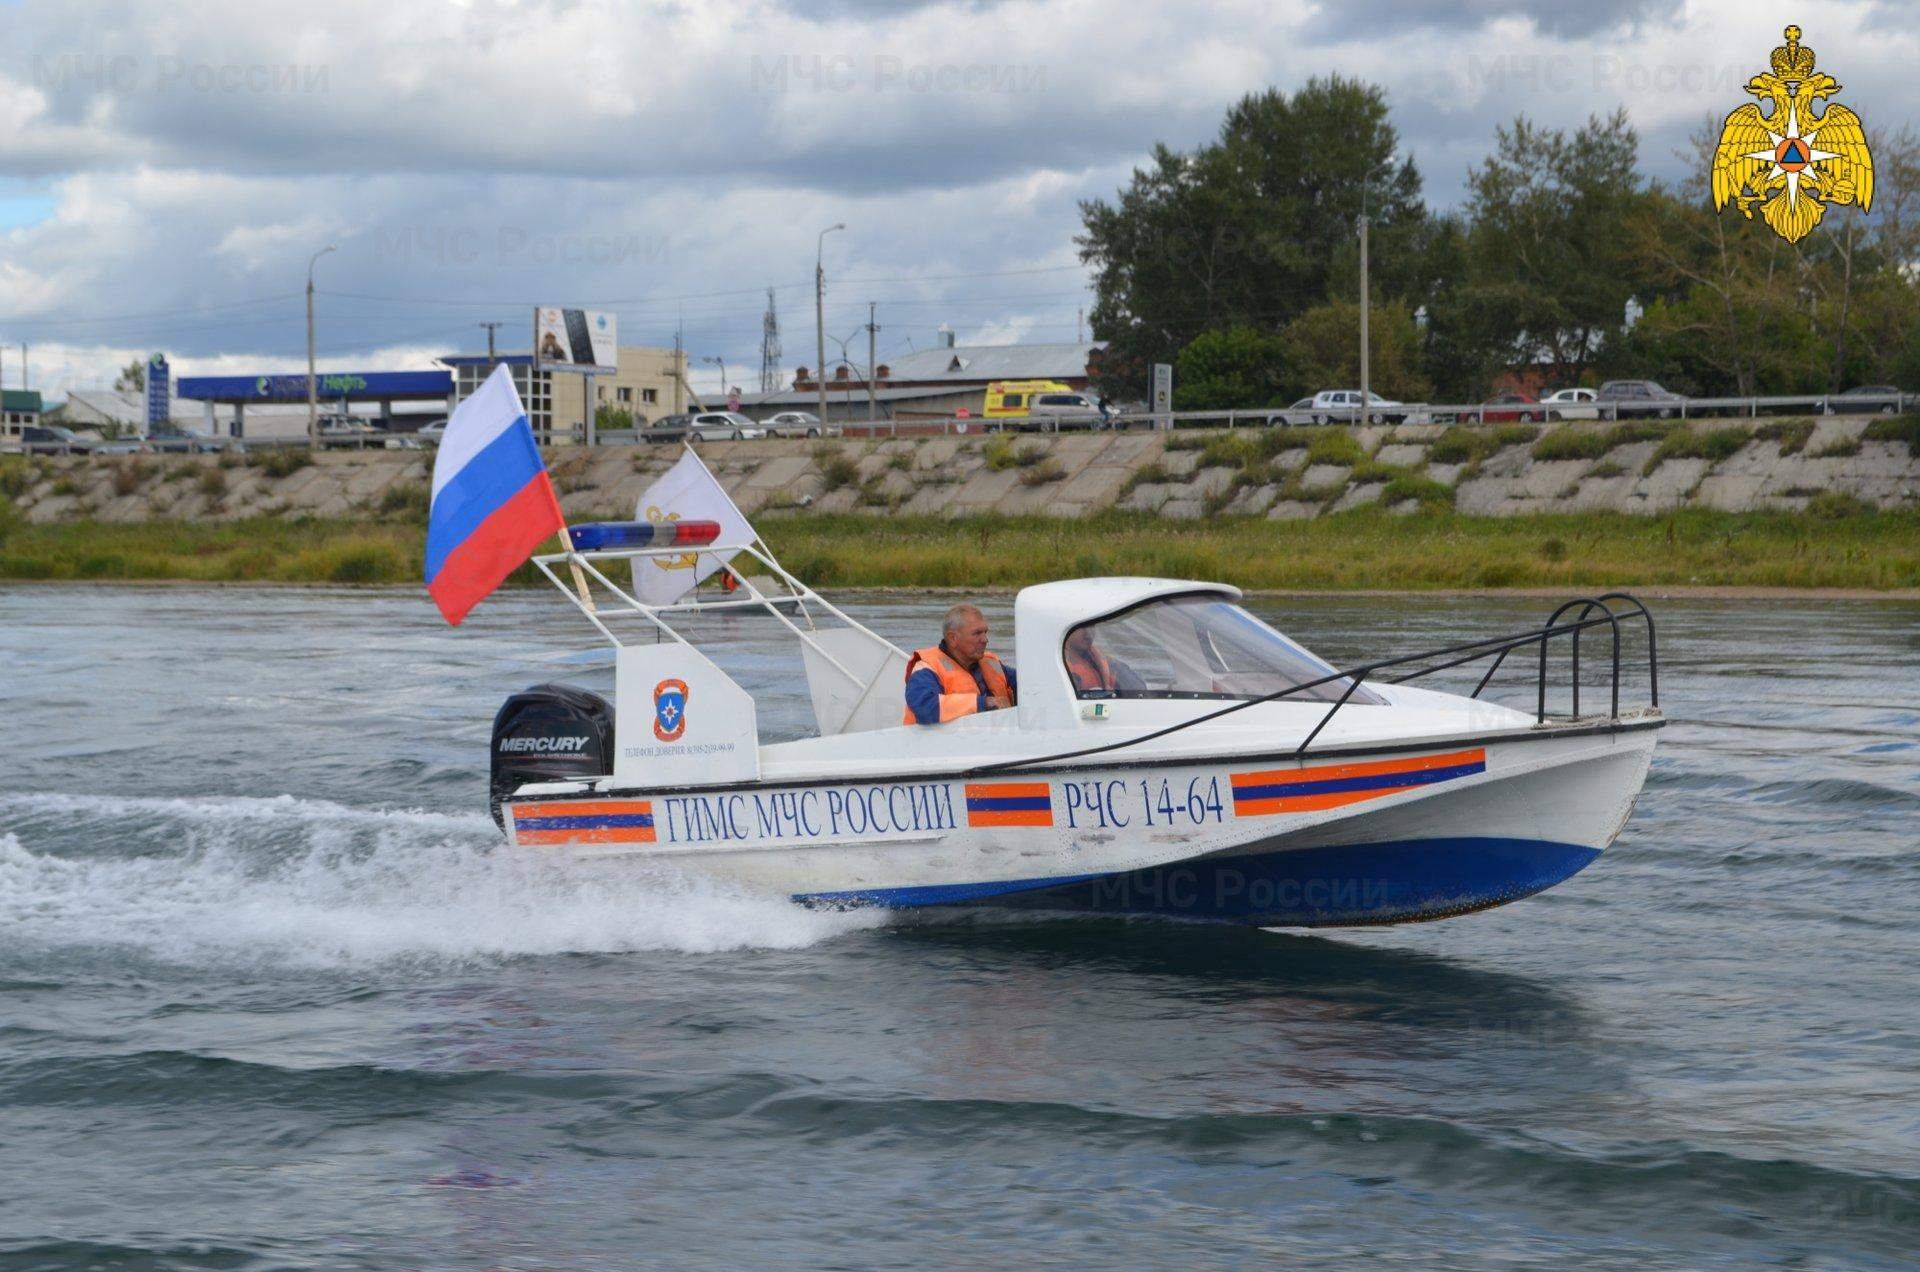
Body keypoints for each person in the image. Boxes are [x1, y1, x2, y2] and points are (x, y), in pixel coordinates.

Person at [903, 603, 1017, 725]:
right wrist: (983, 703)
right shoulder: (927, 668)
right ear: (953, 638)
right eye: (977, 633)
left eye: (985, 632)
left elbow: (1030, 684)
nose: (985, 639)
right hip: (935, 743)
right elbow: (925, 707)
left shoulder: (991, 663)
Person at [1063, 626, 1146, 697]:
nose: (1089, 634)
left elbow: (1139, 692)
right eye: (1080, 628)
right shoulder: (1056, 669)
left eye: (1092, 627)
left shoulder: (1109, 665)